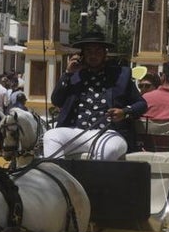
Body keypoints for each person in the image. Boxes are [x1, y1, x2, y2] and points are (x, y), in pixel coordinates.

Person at [43, 27, 147, 160]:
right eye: (89, 51)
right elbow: (56, 100)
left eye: (98, 51)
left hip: (109, 132)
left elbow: (142, 104)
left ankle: (93, 180)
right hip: (76, 131)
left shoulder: (121, 75)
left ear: (105, 53)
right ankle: (59, 178)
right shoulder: (74, 76)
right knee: (51, 136)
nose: (93, 55)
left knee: (108, 150)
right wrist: (68, 74)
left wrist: (124, 112)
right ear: (82, 55)